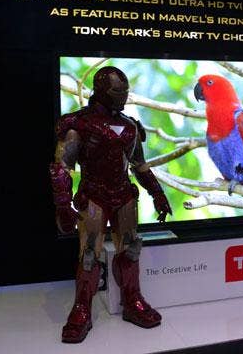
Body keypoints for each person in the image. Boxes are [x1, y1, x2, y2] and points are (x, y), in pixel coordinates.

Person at [50, 66, 172, 343]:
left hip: (124, 196)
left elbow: (140, 166)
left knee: (130, 251)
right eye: (117, 91)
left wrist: (158, 193)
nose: (123, 96)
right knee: (89, 255)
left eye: (125, 91)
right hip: (93, 196)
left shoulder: (130, 126)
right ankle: (82, 309)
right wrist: (63, 205)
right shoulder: (79, 124)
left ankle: (132, 301)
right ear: (101, 91)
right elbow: (61, 168)